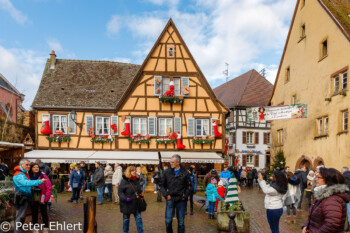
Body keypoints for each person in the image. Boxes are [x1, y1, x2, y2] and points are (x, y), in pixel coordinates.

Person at [302, 168, 350, 233]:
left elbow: (331, 224)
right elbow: (313, 216)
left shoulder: (333, 199)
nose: (316, 179)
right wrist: (306, 225)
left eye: (319, 177)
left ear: (328, 180)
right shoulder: (322, 194)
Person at [13, 159, 47, 233]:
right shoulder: (19, 174)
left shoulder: (24, 173)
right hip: (21, 196)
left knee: (21, 216)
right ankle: (17, 231)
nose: (28, 166)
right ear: (21, 165)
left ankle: (18, 231)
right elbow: (25, 183)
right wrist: (39, 181)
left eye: (29, 165)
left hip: (24, 196)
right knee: (20, 217)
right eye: (26, 165)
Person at [160, 154, 191, 233]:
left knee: (181, 222)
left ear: (178, 162)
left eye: (172, 162)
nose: (171, 164)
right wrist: (166, 195)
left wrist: (185, 195)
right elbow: (161, 185)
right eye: (170, 162)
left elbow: (189, 186)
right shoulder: (166, 172)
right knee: (168, 221)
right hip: (170, 199)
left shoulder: (185, 172)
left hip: (181, 200)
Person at [118, 166, 144, 233]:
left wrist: (140, 195)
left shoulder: (137, 180)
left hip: (136, 203)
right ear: (129, 172)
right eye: (132, 171)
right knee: (126, 220)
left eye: (135, 170)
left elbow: (139, 190)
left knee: (138, 219)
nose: (134, 172)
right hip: (127, 204)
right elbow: (120, 191)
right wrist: (125, 198)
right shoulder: (124, 181)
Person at [29, 163, 52, 233]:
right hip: (33, 197)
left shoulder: (43, 176)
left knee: (44, 212)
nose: (36, 168)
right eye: (34, 167)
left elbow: (49, 187)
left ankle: (45, 227)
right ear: (31, 169)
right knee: (34, 213)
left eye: (37, 167)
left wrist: (46, 198)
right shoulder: (28, 176)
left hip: (42, 197)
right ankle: (35, 228)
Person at [341, 166, 350, 231]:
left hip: (348, 197)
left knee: (349, 213)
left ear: (343, 171)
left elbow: (344, 189)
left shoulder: (343, 177)